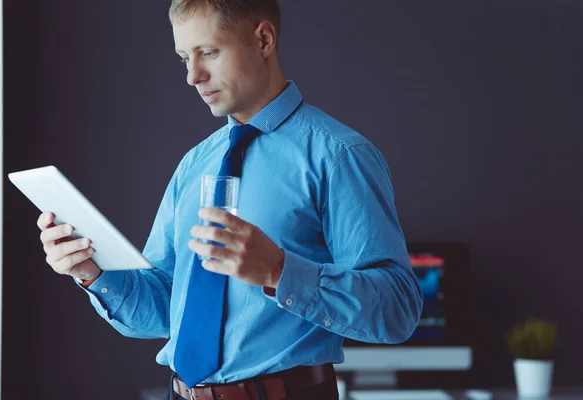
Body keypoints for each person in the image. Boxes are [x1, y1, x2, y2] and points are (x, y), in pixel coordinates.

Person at [36, 0, 424, 399]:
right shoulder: (194, 165)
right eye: (184, 57)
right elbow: (164, 311)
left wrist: (279, 271)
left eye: (208, 52)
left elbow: (398, 311)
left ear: (264, 40)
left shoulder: (339, 156)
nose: (192, 76)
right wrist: (94, 273)